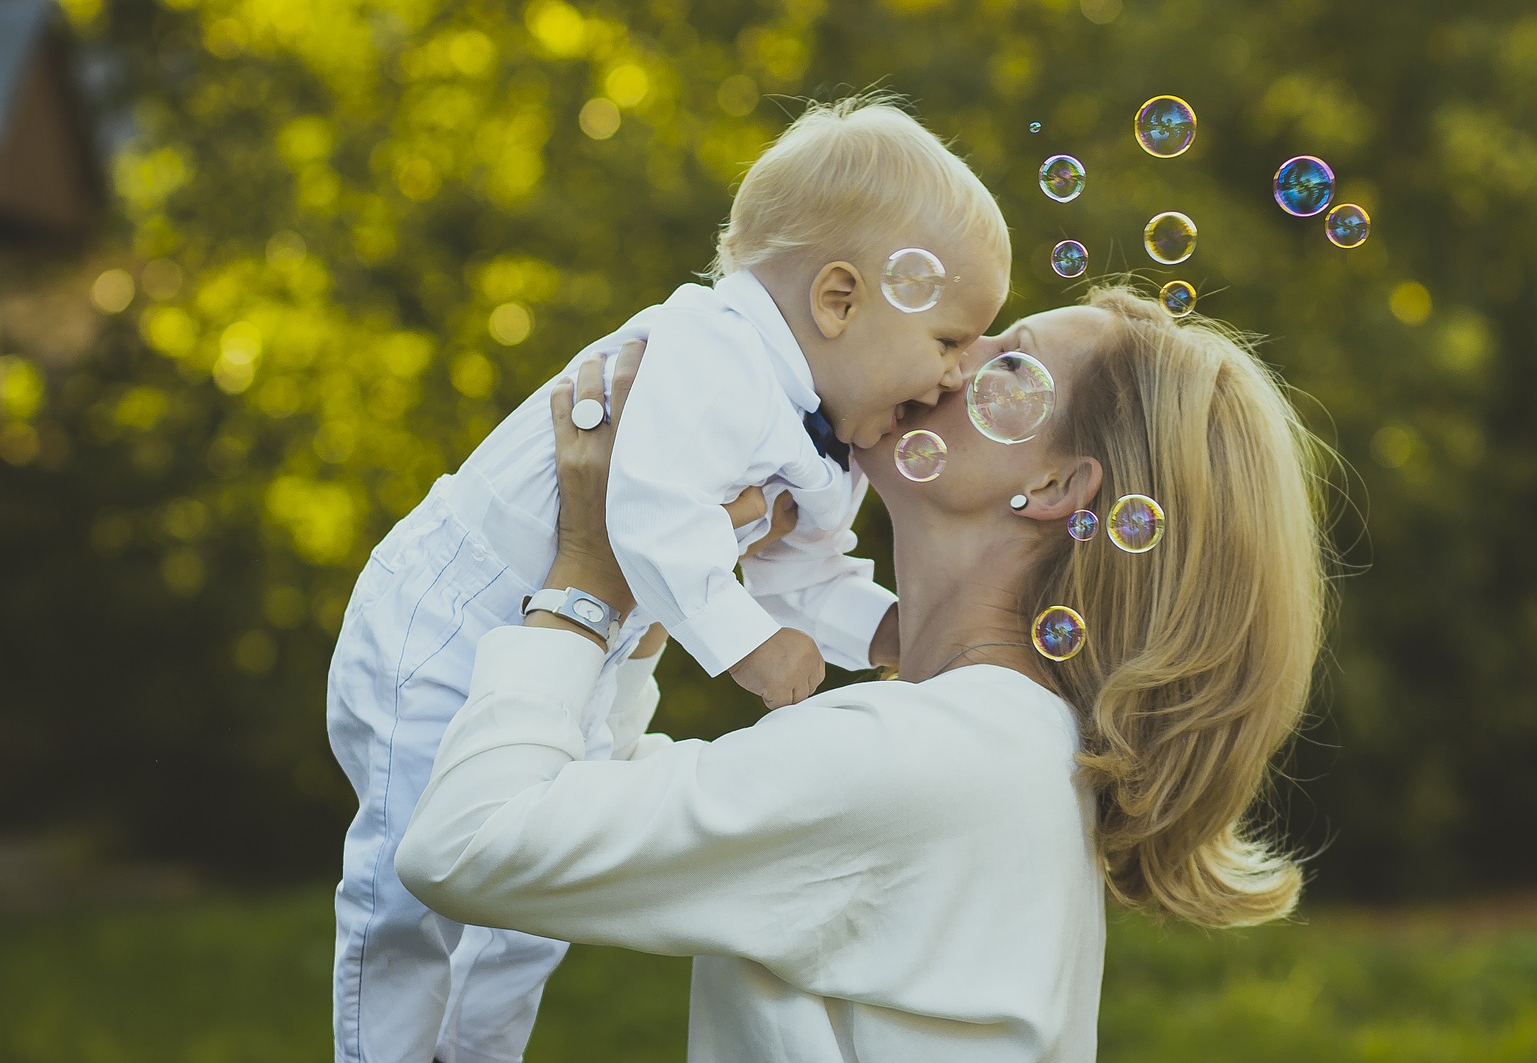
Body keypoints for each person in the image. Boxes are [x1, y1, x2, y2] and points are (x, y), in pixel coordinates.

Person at [396, 284, 1333, 1061]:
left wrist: (588, 577)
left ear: (1054, 490)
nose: (955, 362)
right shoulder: (989, 745)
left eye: (1008, 362)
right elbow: (584, 799)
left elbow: (472, 843)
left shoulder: (930, 759)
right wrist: (652, 591)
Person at [326, 96, 1012, 1063]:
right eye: (948, 340)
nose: (953, 378)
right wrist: (748, 646)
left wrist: (894, 632)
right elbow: (647, 510)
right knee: (410, 884)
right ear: (840, 300)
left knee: (532, 895)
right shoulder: (713, 353)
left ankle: (473, 1053)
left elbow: (802, 575)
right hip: (444, 618)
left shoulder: (835, 438)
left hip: (578, 649)